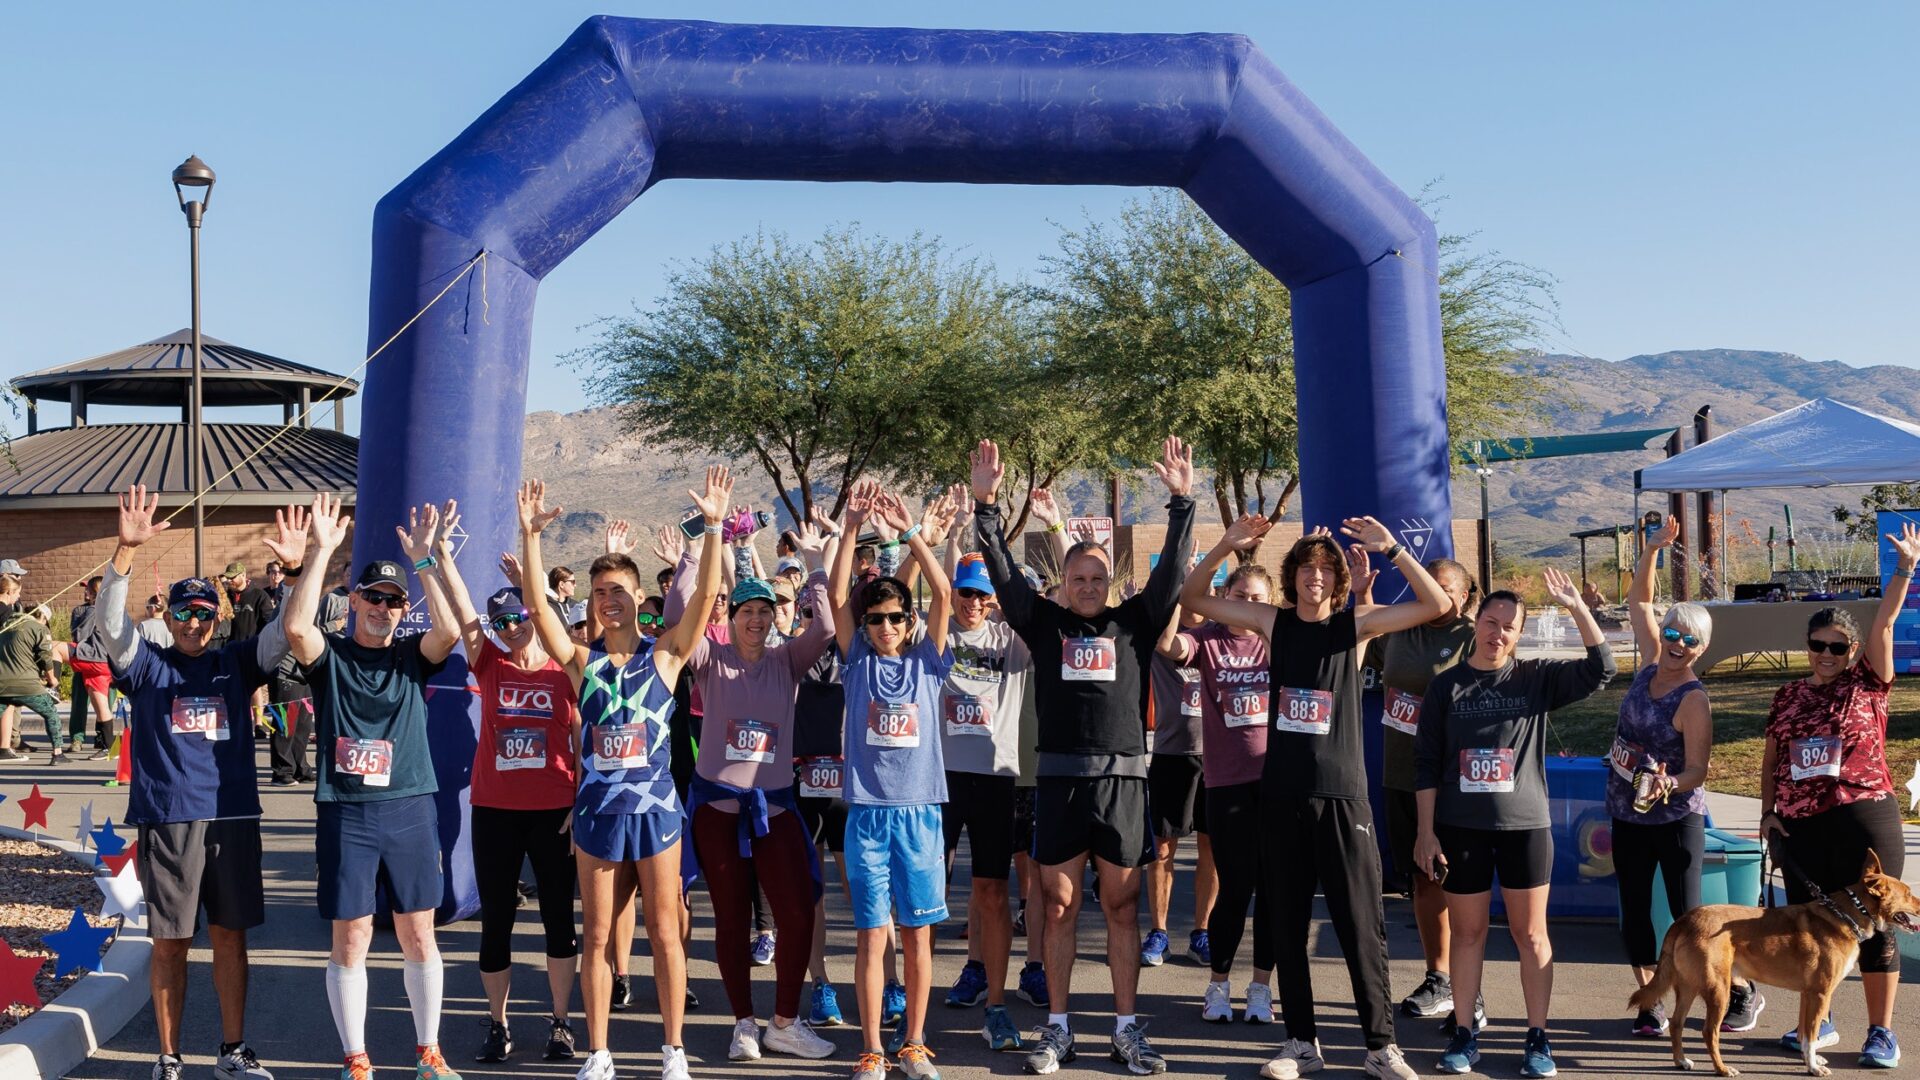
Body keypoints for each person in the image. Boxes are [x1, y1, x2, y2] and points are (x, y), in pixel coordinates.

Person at [1181, 515, 1452, 1080]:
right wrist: (1227, 547)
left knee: (1360, 924)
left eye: (1325, 569)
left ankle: (1381, 1046)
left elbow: (1435, 606)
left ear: (1336, 580)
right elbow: (1193, 597)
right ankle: (1300, 1042)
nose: (1315, 577)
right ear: (1292, 576)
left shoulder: (1355, 624)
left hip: (1343, 797)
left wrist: (1393, 550)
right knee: (1286, 920)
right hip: (1281, 797)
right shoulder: (1270, 622)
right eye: (1306, 568)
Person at [969, 435, 1195, 1077]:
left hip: (1123, 785)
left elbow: (1174, 572)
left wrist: (1182, 501)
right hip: (1061, 785)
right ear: (1064, 585)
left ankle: (1126, 1030)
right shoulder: (1042, 624)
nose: (1089, 587)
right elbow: (1005, 577)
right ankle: (1059, 1029)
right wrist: (986, 509)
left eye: (1098, 578)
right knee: (1060, 905)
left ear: (1110, 581)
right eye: (1078, 579)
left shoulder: (1137, 622)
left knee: (1123, 907)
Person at [524, 473, 732, 1080]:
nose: (606, 599)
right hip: (596, 815)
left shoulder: (664, 655)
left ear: (638, 597)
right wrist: (533, 538)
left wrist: (716, 529)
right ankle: (598, 1052)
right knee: (596, 937)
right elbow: (538, 608)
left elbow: (705, 596)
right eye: (597, 592)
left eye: (617, 589)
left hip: (657, 812)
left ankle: (673, 1051)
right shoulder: (581, 663)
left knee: (666, 934)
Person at [97, 484, 297, 1080]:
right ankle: (169, 1056)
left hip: (232, 816)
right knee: (171, 944)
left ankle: (232, 1051)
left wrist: (293, 572)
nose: (192, 623)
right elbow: (110, 626)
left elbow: (290, 630)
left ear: (217, 618)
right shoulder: (149, 666)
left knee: (230, 939)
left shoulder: (237, 661)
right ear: (169, 617)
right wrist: (124, 554)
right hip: (169, 819)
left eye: (203, 613)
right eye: (182, 613)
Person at [280, 494, 464, 1080]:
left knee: (418, 933)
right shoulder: (328, 657)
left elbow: (452, 630)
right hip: (348, 811)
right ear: (354, 600)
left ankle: (428, 1052)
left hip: (409, 807)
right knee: (352, 936)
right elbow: (293, 626)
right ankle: (356, 1061)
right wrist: (321, 551)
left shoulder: (415, 656)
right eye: (375, 597)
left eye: (393, 600)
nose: (384, 607)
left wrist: (428, 560)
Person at [1413, 569, 1616, 1078]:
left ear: (1519, 634)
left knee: (1531, 936)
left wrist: (1576, 606)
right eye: (1489, 621)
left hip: (1525, 827)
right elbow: (1426, 763)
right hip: (1460, 828)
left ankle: (1537, 1037)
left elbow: (1602, 668)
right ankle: (1464, 1033)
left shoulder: (1535, 678)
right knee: (1467, 934)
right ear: (1475, 624)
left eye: (1508, 626)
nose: (1496, 632)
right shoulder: (1446, 687)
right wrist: (1425, 830)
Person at [665, 494, 838, 1065]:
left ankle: (784, 1021)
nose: (758, 620)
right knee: (733, 919)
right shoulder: (711, 660)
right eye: (747, 612)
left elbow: (829, 626)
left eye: (765, 611)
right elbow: (674, 623)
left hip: (777, 808)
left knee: (793, 913)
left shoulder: (788, 659)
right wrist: (694, 551)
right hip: (717, 811)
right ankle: (743, 1023)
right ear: (731, 617)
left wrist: (814, 564)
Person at [1760, 521, 1917, 1069]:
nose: (1826, 653)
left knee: (1873, 925)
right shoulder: (1788, 695)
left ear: (1852, 651)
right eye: (1817, 644)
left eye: (1837, 646)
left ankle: (1881, 1034)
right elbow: (1773, 760)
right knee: (1810, 927)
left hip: (1863, 818)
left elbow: (1887, 619)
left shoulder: (1869, 683)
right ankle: (1817, 1024)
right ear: (1807, 646)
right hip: (1803, 828)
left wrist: (1903, 569)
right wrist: (1769, 814)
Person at [432, 533, 583, 1065]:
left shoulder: (564, 668)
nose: (511, 627)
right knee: (497, 920)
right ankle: (498, 1024)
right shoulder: (489, 661)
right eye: (502, 623)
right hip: (495, 812)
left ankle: (560, 1024)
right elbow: (465, 612)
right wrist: (443, 557)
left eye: (518, 616)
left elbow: (582, 743)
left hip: (553, 813)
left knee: (559, 920)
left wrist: (577, 803)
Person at [830, 481, 955, 1080]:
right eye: (875, 618)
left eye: (895, 617)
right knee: (872, 937)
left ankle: (913, 1044)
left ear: (908, 623)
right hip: (868, 814)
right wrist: (851, 526)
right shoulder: (856, 663)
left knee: (917, 936)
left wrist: (914, 536)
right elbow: (834, 596)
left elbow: (945, 592)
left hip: (921, 811)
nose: (885, 626)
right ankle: (873, 1050)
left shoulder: (927, 662)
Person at [1612, 520, 1754, 1037]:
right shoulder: (1649, 665)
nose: (1675, 643)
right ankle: (1649, 998)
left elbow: (1699, 771)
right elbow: (1639, 604)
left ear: (1701, 648)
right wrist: (1651, 550)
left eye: (1688, 639)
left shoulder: (1694, 700)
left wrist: (1670, 783)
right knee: (1633, 915)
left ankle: (1739, 991)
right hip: (1627, 812)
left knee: (1691, 919)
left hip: (1674, 819)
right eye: (1672, 633)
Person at [1159, 572, 1275, 1026]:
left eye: (1257, 599)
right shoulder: (1207, 638)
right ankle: (1219, 984)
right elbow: (1169, 645)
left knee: (1272, 892)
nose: (1247, 605)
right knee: (1234, 889)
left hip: (1275, 783)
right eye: (1240, 597)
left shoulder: (1276, 636)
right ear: (1224, 598)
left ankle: (1261, 988)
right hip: (1225, 782)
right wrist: (1180, 587)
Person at [1371, 559, 1479, 1029]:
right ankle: (1439, 978)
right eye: (1432, 584)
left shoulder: (1472, 636)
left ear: (1466, 595)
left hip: (1453, 779)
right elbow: (1363, 650)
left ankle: (1468, 990)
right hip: (1401, 774)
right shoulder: (1399, 631)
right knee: (1423, 878)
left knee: (1459, 882)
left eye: (1449, 588)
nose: (1440, 594)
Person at [937, 540, 1033, 1053]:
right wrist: (941, 538)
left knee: (994, 895)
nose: (972, 603)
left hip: (996, 777)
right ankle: (906, 999)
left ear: (992, 599)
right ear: (953, 594)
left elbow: (1036, 609)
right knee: (927, 894)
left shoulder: (1010, 639)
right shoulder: (937, 633)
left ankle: (996, 1005)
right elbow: (924, 592)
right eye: (965, 593)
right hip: (942, 777)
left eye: (981, 596)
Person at [1142, 605, 1215, 973]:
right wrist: (1176, 598)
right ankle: (1159, 932)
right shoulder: (1164, 632)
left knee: (1211, 847)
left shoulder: (1219, 634)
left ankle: (1202, 932)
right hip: (1172, 754)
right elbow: (1163, 638)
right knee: (1162, 848)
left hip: (1219, 757)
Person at [0, 563, 62, 763]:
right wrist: (51, 678)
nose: (19, 596)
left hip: (4, 678)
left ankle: (7, 745)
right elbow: (44, 655)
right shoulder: (7, 615)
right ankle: (57, 754)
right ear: (9, 589)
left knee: (8, 707)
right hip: (21, 679)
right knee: (50, 713)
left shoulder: (12, 613)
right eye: (17, 591)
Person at [66, 575, 114, 755]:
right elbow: (77, 636)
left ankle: (101, 739)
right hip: (86, 658)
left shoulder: (109, 609)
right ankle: (77, 738)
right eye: (85, 589)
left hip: (104, 661)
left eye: (89, 589)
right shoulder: (80, 610)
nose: (86, 592)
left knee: (104, 702)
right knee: (79, 702)